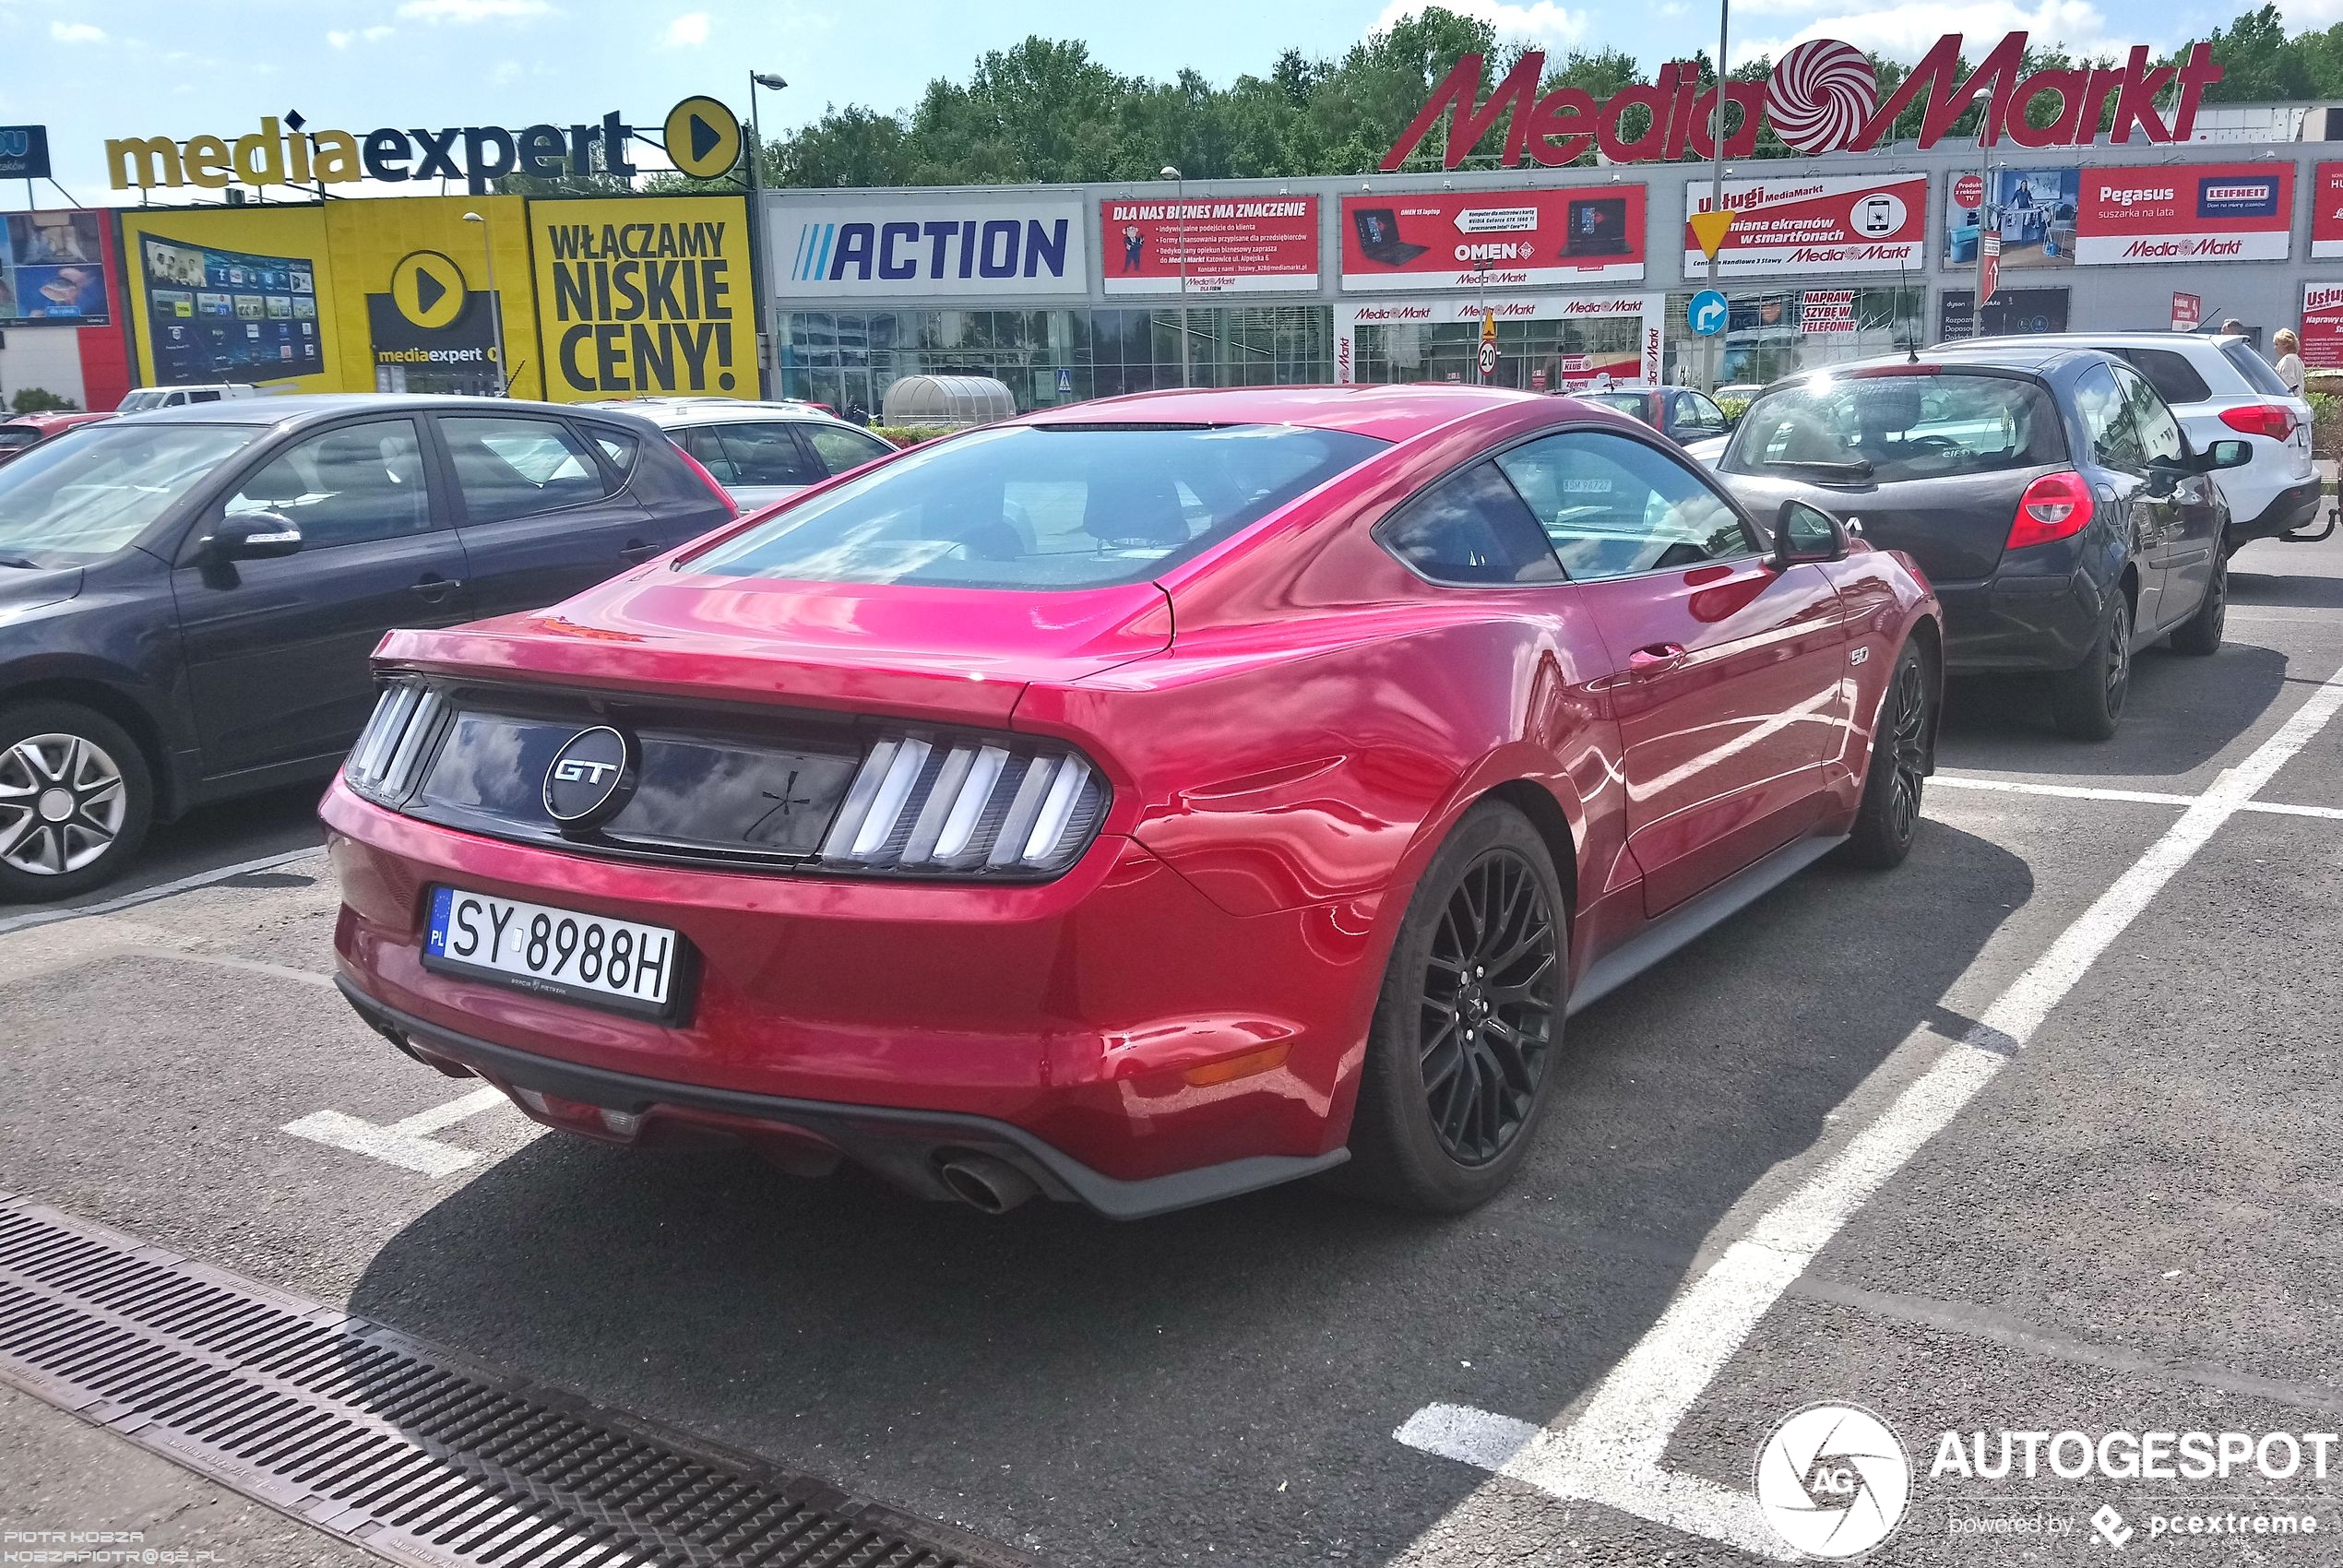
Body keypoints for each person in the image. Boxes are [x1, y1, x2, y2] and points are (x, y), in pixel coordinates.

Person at [2274, 328, 2307, 396]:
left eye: (2277, 344)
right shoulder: (2297, 359)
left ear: (2286, 345)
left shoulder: (2288, 360)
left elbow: (2288, 383)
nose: (2275, 347)